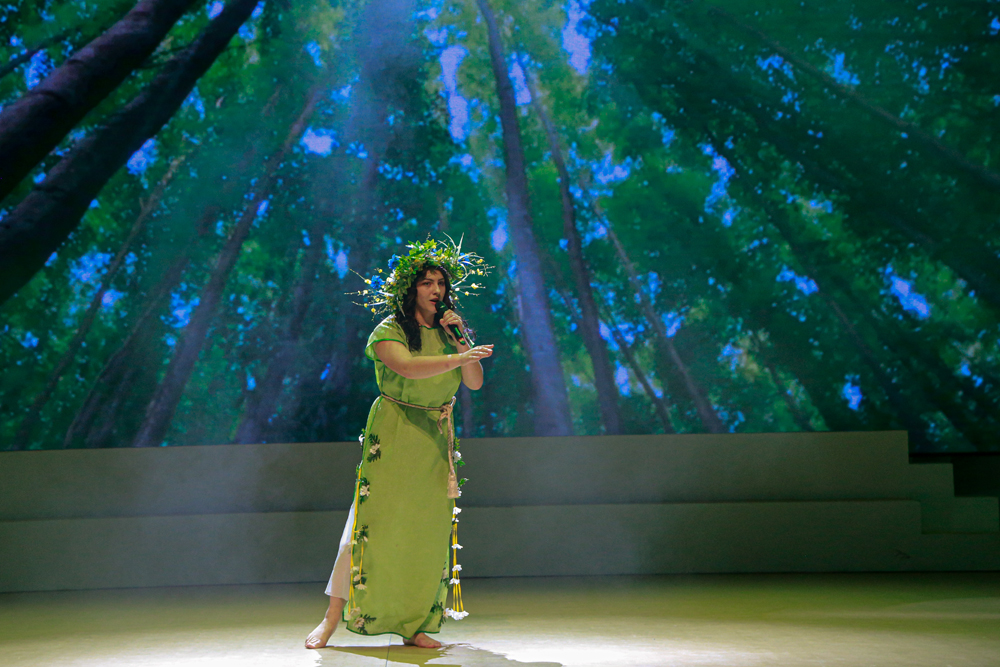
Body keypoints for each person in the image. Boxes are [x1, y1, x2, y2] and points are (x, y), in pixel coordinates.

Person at [306, 238, 493, 649]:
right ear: (410, 290)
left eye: (440, 283)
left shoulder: (451, 333)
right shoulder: (389, 330)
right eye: (427, 283)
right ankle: (332, 616)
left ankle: (414, 623)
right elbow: (407, 368)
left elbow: (475, 382)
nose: (436, 290)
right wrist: (458, 358)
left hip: (434, 437)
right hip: (395, 430)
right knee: (369, 525)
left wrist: (461, 342)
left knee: (423, 530)